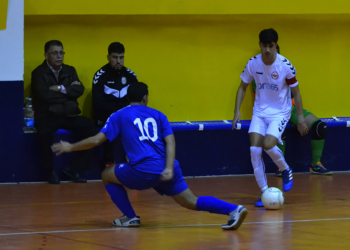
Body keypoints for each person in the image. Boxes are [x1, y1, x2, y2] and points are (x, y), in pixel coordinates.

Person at [52, 82, 248, 230]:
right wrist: (169, 168)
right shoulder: (158, 114)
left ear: (127, 98)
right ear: (145, 98)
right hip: (167, 168)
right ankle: (233, 210)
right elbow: (171, 141)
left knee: (106, 174)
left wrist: (70, 147)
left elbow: (96, 140)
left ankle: (130, 216)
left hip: (144, 170)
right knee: (191, 201)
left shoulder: (119, 115)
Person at [232, 28, 308, 207]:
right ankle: (264, 192)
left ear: (276, 46)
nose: (267, 49)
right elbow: (242, 87)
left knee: (267, 145)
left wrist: (301, 119)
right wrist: (236, 111)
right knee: (254, 151)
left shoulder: (285, 65)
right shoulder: (253, 63)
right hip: (259, 112)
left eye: (271, 46)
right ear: (259, 45)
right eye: (264, 45)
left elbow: (296, 93)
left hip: (280, 112)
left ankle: (285, 169)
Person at [31, 40, 98, 184]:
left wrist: (60, 88)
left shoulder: (70, 70)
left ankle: (73, 169)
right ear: (46, 55)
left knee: (92, 130)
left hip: (69, 114)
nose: (59, 56)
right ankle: (50, 172)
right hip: (48, 115)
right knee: (43, 133)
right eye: (55, 53)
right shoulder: (38, 73)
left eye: (61, 53)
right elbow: (44, 95)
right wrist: (68, 92)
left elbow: (79, 90)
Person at [271, 46, 331, 176]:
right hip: (271, 111)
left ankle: (315, 165)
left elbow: (295, 94)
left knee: (321, 127)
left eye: (274, 51)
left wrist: (300, 119)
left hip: (290, 108)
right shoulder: (258, 72)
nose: (270, 53)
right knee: (279, 130)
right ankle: (281, 167)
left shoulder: (286, 69)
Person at [92, 42, 138, 167]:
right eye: (115, 57)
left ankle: (134, 159)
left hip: (125, 116)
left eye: (121, 58)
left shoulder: (131, 76)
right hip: (106, 117)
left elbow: (136, 102)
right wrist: (117, 115)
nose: (118, 61)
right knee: (110, 123)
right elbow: (98, 104)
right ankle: (109, 162)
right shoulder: (100, 76)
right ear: (108, 57)